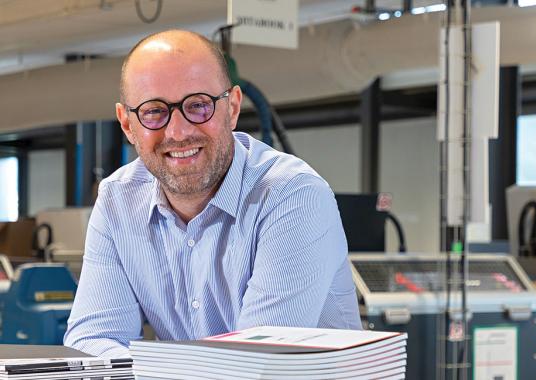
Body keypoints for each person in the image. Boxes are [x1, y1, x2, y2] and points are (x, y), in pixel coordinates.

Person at [64, 30, 361, 358]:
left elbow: (257, 364)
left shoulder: (293, 197)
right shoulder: (117, 201)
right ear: (127, 124)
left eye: (198, 105)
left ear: (232, 108)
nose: (178, 132)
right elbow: (92, 343)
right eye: (153, 112)